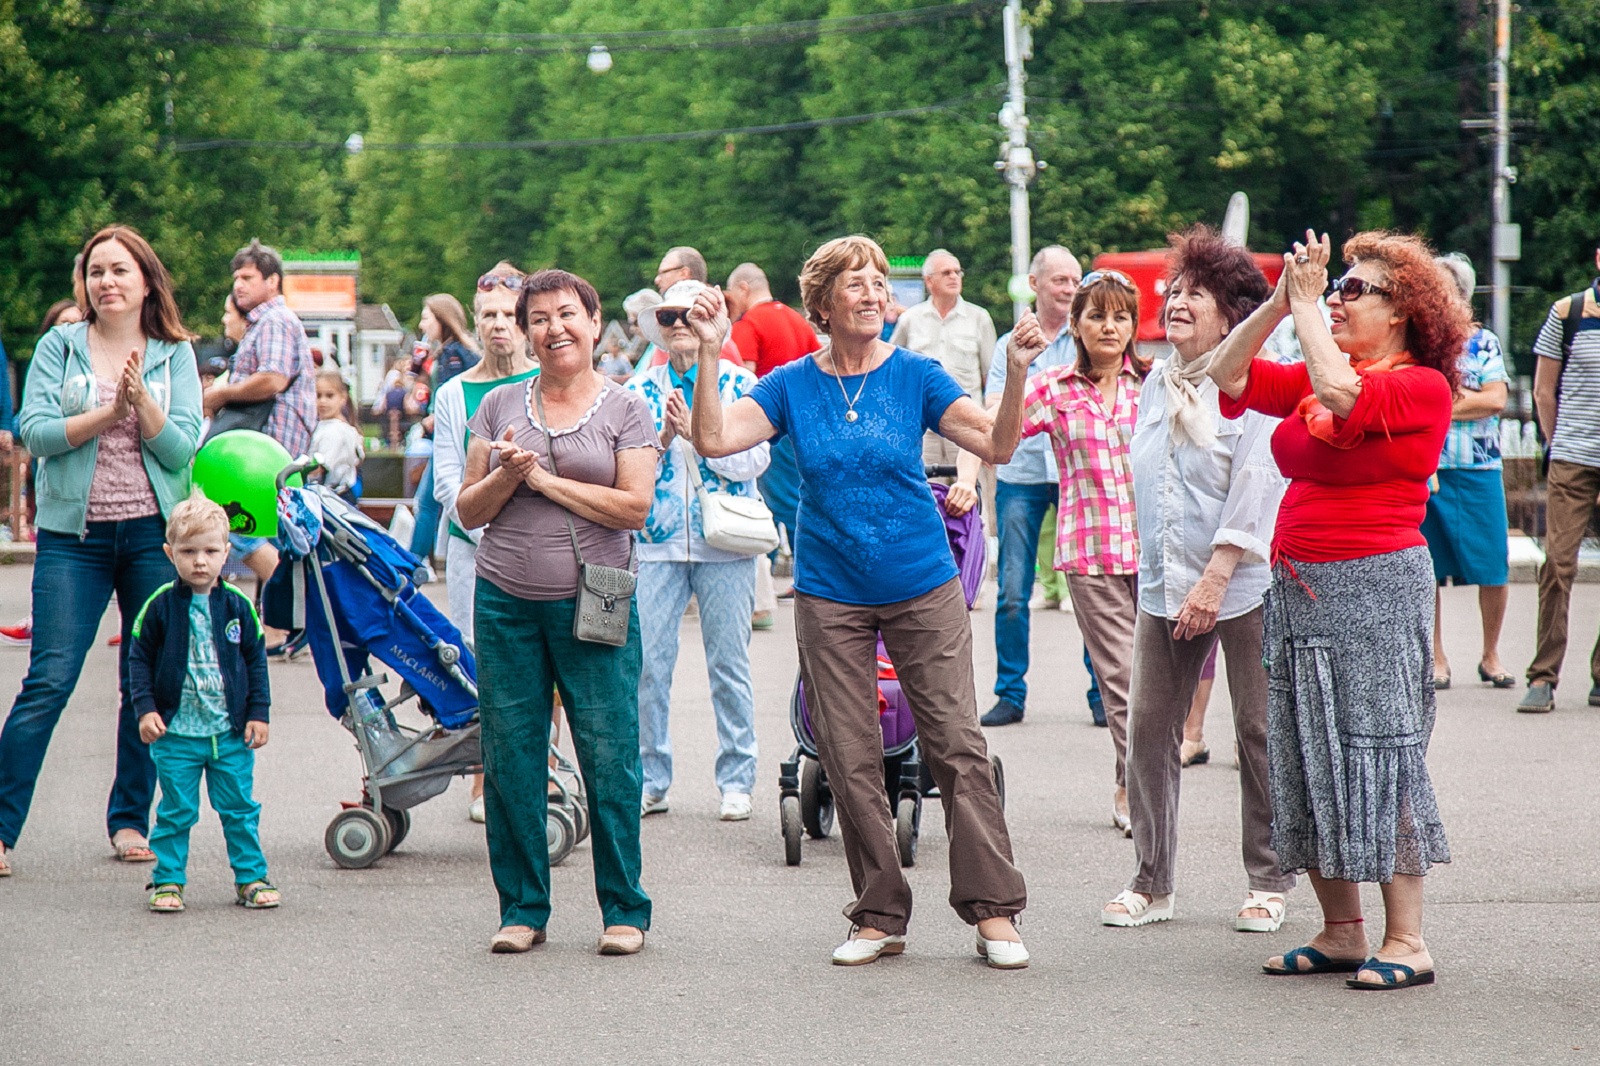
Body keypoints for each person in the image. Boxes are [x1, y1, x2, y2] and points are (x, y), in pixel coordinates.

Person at [690, 235, 1040, 970]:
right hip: (829, 592)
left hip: (921, 582)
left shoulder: (917, 375)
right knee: (848, 755)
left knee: (954, 743)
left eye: (882, 282)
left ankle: (995, 912)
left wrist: (1017, 374)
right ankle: (878, 913)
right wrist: (709, 352)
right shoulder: (791, 385)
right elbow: (717, 440)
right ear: (823, 302)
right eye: (858, 283)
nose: (876, 293)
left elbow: (998, 445)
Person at [1209, 228, 1467, 990]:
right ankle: (1342, 930)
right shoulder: (1326, 371)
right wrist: (1282, 302)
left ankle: (1408, 940)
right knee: (1305, 752)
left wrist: (1308, 315)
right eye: (1337, 287)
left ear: (1402, 311)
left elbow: (1342, 394)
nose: (1339, 299)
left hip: (1375, 588)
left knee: (1378, 754)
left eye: (1356, 289)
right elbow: (1224, 372)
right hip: (1301, 589)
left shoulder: (1417, 385)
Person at [455, 268, 658, 957]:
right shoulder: (499, 407)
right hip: (506, 600)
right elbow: (467, 511)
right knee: (511, 757)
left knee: (610, 755)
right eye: (537, 318)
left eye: (566, 314)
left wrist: (541, 478)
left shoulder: (626, 409)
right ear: (523, 330)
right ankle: (522, 908)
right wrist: (504, 479)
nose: (553, 328)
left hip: (596, 597)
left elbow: (634, 508)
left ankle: (625, 910)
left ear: (595, 323)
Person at [1100, 226, 1292, 932]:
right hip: (1164, 582)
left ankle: (1269, 878)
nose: (1177, 301)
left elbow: (1255, 485)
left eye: (1196, 294)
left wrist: (1214, 578)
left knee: (1257, 730)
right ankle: (1152, 881)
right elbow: (1155, 481)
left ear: (1230, 316)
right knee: (1148, 729)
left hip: (1241, 583)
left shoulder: (1249, 383)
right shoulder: (1158, 381)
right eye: (1175, 290)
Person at [0, 224, 204, 877]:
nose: (106, 282)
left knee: (145, 681)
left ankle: (128, 821)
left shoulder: (173, 353)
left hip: (152, 535)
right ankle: (1, 831)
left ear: (147, 280)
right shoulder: (61, 346)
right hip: (73, 540)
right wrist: (105, 412)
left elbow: (182, 449)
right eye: (95, 272)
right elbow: (34, 431)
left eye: (119, 270)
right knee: (50, 678)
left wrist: (141, 403)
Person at [628, 279, 769, 822]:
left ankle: (737, 779)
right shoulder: (640, 390)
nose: (680, 325)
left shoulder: (740, 383)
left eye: (690, 315)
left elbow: (755, 463)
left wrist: (701, 440)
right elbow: (630, 469)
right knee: (648, 668)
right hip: (657, 545)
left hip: (725, 544)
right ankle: (650, 779)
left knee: (729, 665)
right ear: (659, 329)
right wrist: (666, 437)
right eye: (669, 317)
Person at [1019, 269, 1150, 835]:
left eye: (1121, 316)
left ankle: (1135, 778)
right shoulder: (1053, 388)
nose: (1109, 326)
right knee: (1122, 679)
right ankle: (1137, 792)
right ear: (1075, 325)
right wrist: (969, 478)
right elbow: (995, 434)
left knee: (1156, 681)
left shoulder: (1157, 385)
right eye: (1097, 315)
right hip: (1091, 553)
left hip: (1155, 553)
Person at [947, 245, 1084, 728]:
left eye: (1074, 281)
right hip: (1021, 475)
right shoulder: (1011, 344)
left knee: (1093, 589)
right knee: (1011, 591)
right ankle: (1010, 693)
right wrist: (967, 476)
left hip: (1076, 474)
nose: (1069, 289)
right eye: (1059, 281)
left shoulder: (1085, 339)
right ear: (1034, 284)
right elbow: (990, 413)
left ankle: (1103, 694)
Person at [129, 492, 276, 913]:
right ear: (169, 552)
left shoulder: (238, 606)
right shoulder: (158, 607)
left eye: (211, 551)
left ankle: (251, 877)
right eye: (188, 551)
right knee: (176, 811)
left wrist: (258, 714)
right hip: (176, 734)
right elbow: (138, 659)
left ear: (226, 553)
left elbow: (256, 662)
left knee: (240, 809)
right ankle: (168, 880)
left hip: (228, 734)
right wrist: (146, 709)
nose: (200, 561)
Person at [432, 262, 539, 823]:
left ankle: (543, 774)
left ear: (525, 322)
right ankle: (483, 779)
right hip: (476, 550)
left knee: (548, 661)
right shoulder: (455, 393)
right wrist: (488, 517)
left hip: (541, 549)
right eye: (489, 316)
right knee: (480, 662)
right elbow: (448, 481)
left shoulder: (546, 382)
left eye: (509, 315)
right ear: (475, 322)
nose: (500, 325)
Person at [204, 239, 316, 613]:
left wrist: (220, 396)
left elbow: (272, 380)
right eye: (236, 277)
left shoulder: (275, 321)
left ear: (273, 281)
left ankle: (298, 609)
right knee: (251, 529)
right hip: (265, 445)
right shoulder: (263, 322)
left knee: (239, 528)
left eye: (248, 277)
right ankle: (284, 618)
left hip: (272, 444)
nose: (239, 285)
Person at [1424, 254, 1512, 690]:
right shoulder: (1420, 344)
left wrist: (1441, 403)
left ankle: (1491, 653)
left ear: (1461, 294)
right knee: (1428, 566)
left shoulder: (1485, 343)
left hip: (1479, 467)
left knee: (1493, 563)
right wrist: (1463, 399)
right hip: (1428, 467)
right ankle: (1437, 656)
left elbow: (1495, 400)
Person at [1519, 238, 1600, 713]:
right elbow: (1543, 392)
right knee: (1558, 564)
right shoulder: (1567, 313)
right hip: (1573, 457)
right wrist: (1557, 444)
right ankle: (1544, 676)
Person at [724, 261, 821, 628]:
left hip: (774, 430)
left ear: (744, 290)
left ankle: (800, 577)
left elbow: (744, 380)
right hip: (808, 425)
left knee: (776, 504)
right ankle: (806, 574)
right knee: (803, 496)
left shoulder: (749, 325)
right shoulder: (798, 320)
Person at [890, 249, 998, 471]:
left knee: (972, 498)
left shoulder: (980, 318)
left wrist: (989, 434)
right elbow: (890, 368)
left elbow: (992, 379)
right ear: (928, 281)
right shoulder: (910, 319)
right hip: (922, 428)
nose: (954, 277)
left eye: (958, 272)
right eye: (946, 272)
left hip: (967, 427)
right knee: (927, 496)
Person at [410, 294, 481, 566]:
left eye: (426, 317)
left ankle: (414, 562)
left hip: (450, 438)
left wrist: (431, 419)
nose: (422, 324)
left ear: (442, 319)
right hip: (463, 439)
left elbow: (450, 402)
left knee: (427, 502)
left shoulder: (452, 355)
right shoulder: (460, 352)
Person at [311, 370, 364, 501]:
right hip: (337, 493)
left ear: (342, 398)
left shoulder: (334, 431)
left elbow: (320, 467)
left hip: (334, 496)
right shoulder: (336, 427)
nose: (322, 401)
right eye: (318, 395)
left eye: (329, 396)